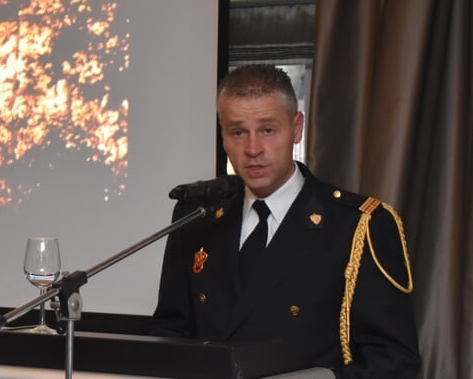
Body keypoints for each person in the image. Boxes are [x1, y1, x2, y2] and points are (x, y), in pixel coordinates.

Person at [149, 64, 421, 378]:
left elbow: (395, 361)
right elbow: (171, 329)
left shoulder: (359, 225)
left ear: (296, 128)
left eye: (268, 130)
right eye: (238, 132)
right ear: (222, 135)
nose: (253, 149)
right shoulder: (198, 218)